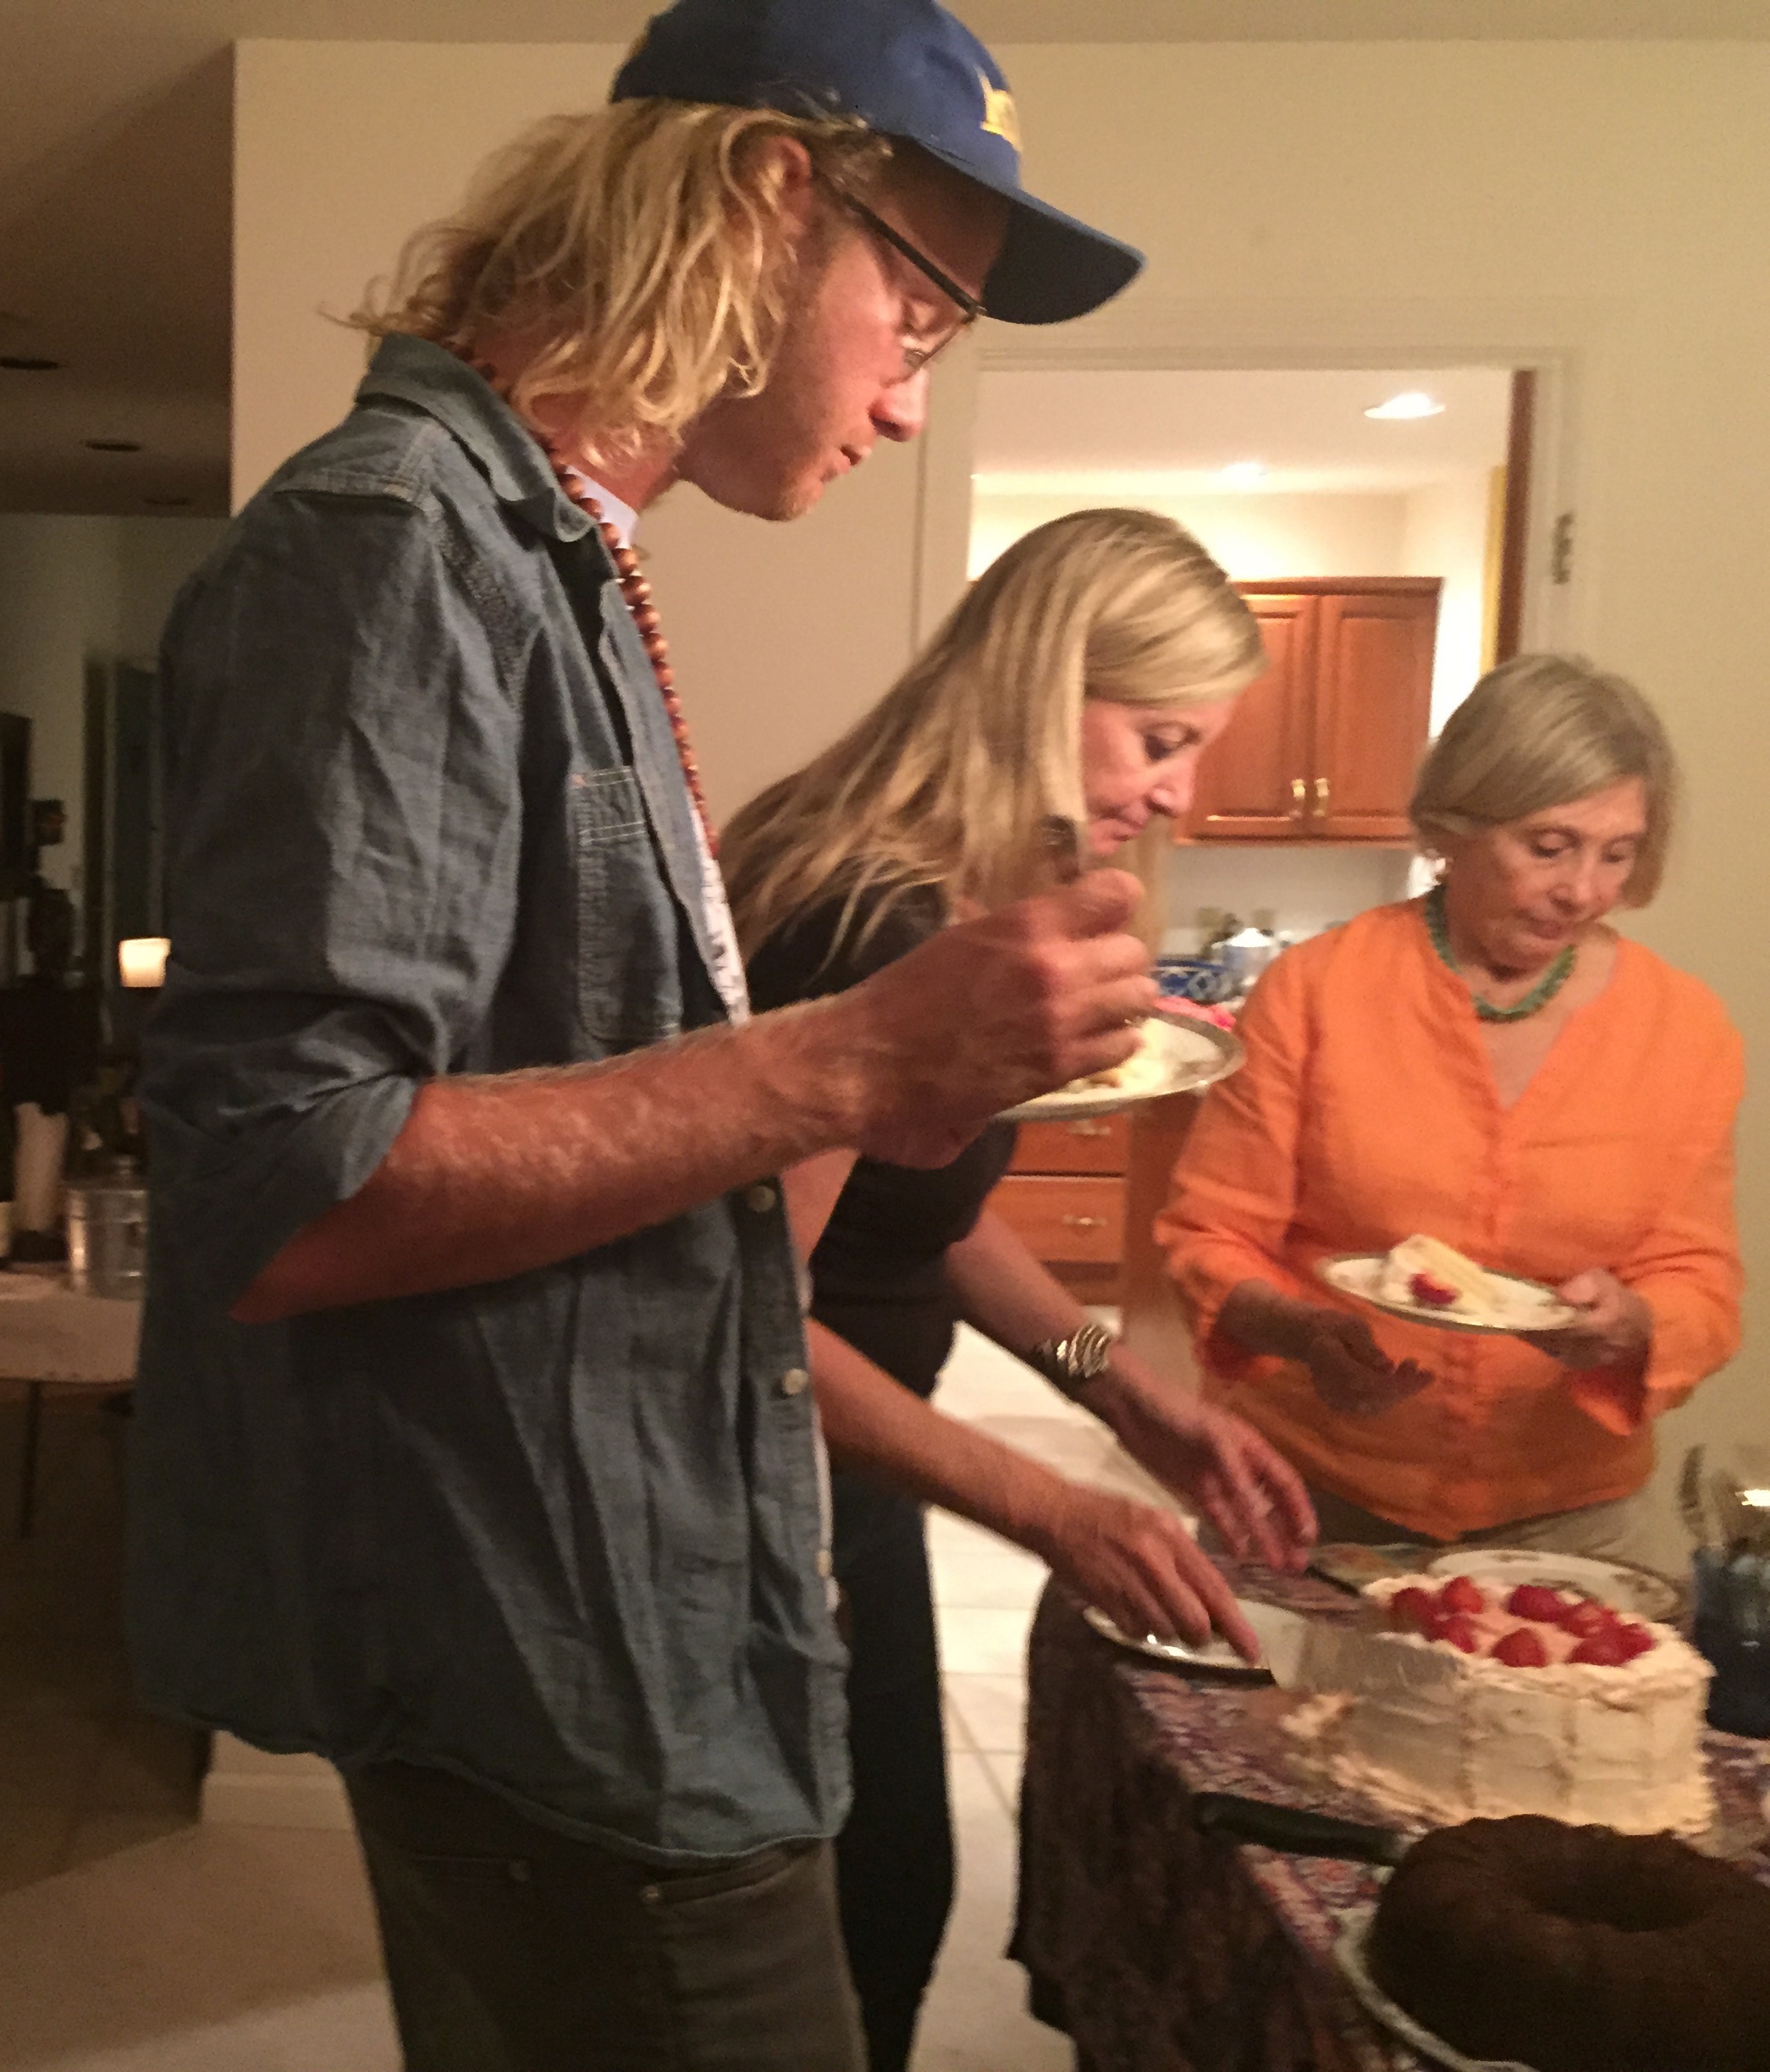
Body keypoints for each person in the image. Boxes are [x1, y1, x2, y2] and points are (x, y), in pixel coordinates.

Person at [127, 3, 1169, 2064]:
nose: (909, 398)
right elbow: (283, 1186)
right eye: (919, 311)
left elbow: (648, 1173)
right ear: (772, 195)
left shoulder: (562, 553)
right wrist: (850, 1061)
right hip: (560, 1660)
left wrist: (890, 1107)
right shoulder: (397, 539)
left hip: (620, 1610)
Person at [721, 507, 1318, 2072]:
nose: (1177, 791)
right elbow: (741, 1322)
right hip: (770, 1495)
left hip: (843, 1476)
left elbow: (921, 1218)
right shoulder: (867, 915)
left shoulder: (953, 894)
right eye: (1159, 738)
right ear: (1045, 682)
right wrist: (1050, 1507)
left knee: (887, 1896)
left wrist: (1124, 1395)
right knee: (852, 1926)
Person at [1159, 654, 1741, 1568]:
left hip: (1570, 1524)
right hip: (1310, 1496)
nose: (1583, 890)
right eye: (1549, 846)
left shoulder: (1685, 1030)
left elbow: (1700, 1277)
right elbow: (1210, 1236)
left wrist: (1639, 1325)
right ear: (1454, 829)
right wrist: (1302, 1333)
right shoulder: (1318, 992)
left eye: (1617, 853)